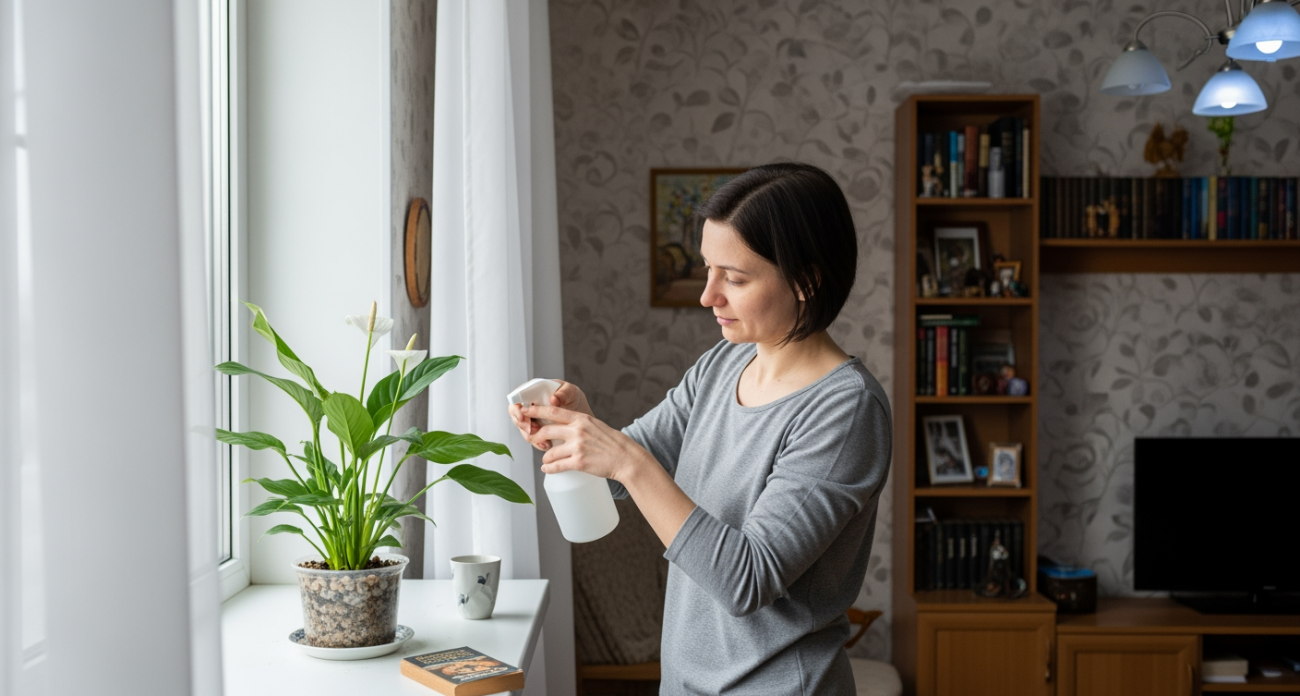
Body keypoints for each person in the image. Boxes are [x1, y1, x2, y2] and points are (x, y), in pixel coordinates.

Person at [509, 163, 892, 695]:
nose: (708, 295)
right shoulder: (723, 365)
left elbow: (746, 580)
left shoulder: (846, 411)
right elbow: (623, 478)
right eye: (708, 269)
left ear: (807, 280)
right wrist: (583, 429)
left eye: (734, 278)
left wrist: (623, 458)